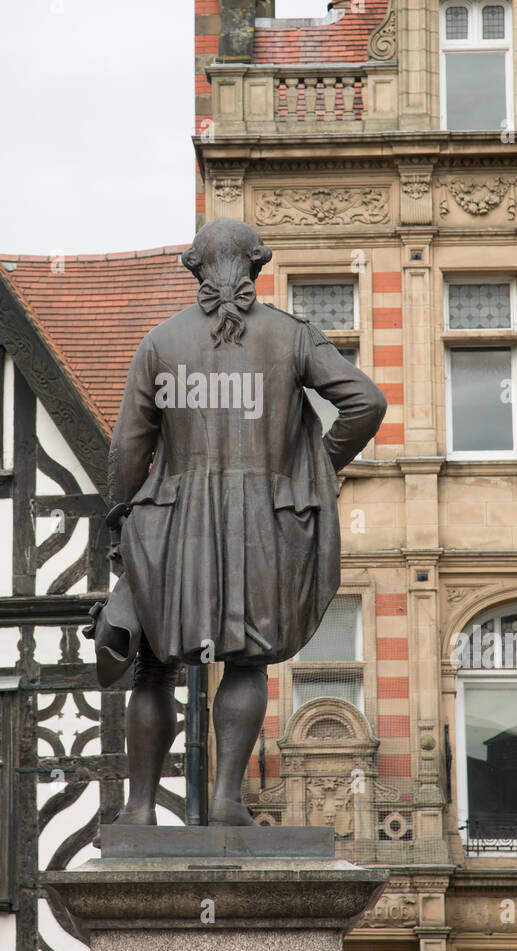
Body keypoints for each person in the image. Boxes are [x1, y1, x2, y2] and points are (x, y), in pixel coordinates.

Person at [92, 218, 387, 826]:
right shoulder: (292, 336)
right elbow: (368, 401)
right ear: (258, 264)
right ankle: (227, 799)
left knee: (153, 664)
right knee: (247, 659)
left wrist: (123, 519)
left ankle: (141, 811)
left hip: (172, 526)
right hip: (263, 524)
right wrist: (310, 466)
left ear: (194, 268)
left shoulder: (160, 343)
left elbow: (125, 452)